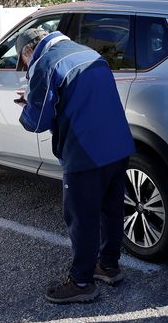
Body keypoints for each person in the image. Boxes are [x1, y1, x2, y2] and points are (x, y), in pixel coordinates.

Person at [15, 27, 135, 304]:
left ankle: (82, 282)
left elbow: (38, 121)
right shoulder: (89, 53)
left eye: (24, 62)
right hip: (119, 145)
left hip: (85, 152)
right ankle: (109, 266)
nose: (27, 66)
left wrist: (25, 105)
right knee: (111, 210)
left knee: (82, 218)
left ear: (29, 51)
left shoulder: (48, 63)